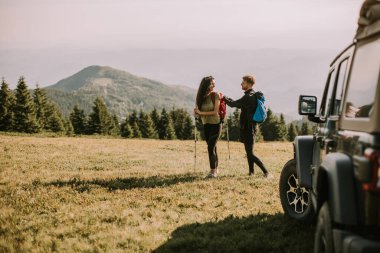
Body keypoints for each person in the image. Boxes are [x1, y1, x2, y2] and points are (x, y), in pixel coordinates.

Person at [223, 75, 270, 177]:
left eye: (243, 82)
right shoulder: (250, 95)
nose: (241, 84)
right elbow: (238, 103)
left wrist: (223, 98)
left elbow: (233, 104)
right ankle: (251, 172)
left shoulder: (248, 97)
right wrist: (226, 98)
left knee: (250, 153)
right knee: (249, 152)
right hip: (248, 127)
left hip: (249, 128)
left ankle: (266, 172)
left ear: (249, 84)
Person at [194, 76, 222, 178]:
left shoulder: (215, 95)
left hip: (216, 124)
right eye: (212, 83)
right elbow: (198, 113)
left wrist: (201, 112)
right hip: (206, 125)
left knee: (210, 148)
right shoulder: (200, 97)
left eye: (214, 83)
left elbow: (215, 112)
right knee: (213, 147)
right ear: (206, 85)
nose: (214, 85)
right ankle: (216, 169)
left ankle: (213, 172)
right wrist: (196, 114)